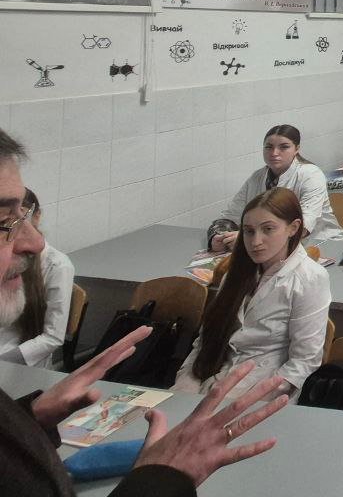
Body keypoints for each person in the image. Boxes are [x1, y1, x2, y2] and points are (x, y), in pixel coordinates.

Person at [0, 127, 291, 497]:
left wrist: (26, 421)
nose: (35, 241)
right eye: (5, 222)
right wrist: (161, 479)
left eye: (24, 215)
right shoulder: (237, 267)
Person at [177, 188, 330, 399]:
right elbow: (205, 340)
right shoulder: (236, 272)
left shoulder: (310, 278)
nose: (256, 241)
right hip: (213, 373)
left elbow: (304, 362)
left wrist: (240, 398)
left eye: (268, 229)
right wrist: (184, 387)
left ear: (293, 228)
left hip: (263, 388)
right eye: (249, 231)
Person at [208, 124, 343, 252]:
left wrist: (248, 238)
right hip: (273, 249)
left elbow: (303, 227)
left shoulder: (311, 175)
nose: (274, 153)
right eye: (269, 147)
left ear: (296, 149)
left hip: (321, 244)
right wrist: (218, 237)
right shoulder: (257, 177)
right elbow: (230, 216)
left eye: (284, 147)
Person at [0, 189, 74, 368]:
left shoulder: (57, 265)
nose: (18, 227)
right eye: (5, 221)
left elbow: (53, 337)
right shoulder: (5, 256)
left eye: (24, 216)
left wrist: (5, 361)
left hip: (21, 361)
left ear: (37, 215)